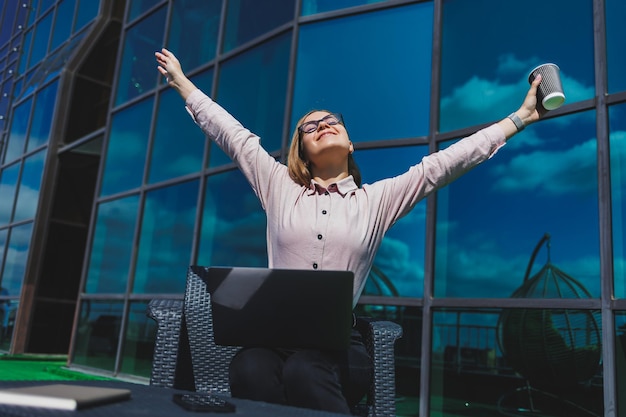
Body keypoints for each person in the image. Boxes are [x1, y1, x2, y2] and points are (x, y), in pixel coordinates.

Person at [155, 47, 543, 414]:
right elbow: (233, 135)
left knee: (304, 371)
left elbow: (443, 165)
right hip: (273, 341)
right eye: (311, 126)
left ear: (350, 143)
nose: (322, 125)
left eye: (331, 121)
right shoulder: (278, 187)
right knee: (248, 368)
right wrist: (184, 84)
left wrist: (519, 118)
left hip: (338, 348)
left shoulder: (376, 201)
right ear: (302, 150)